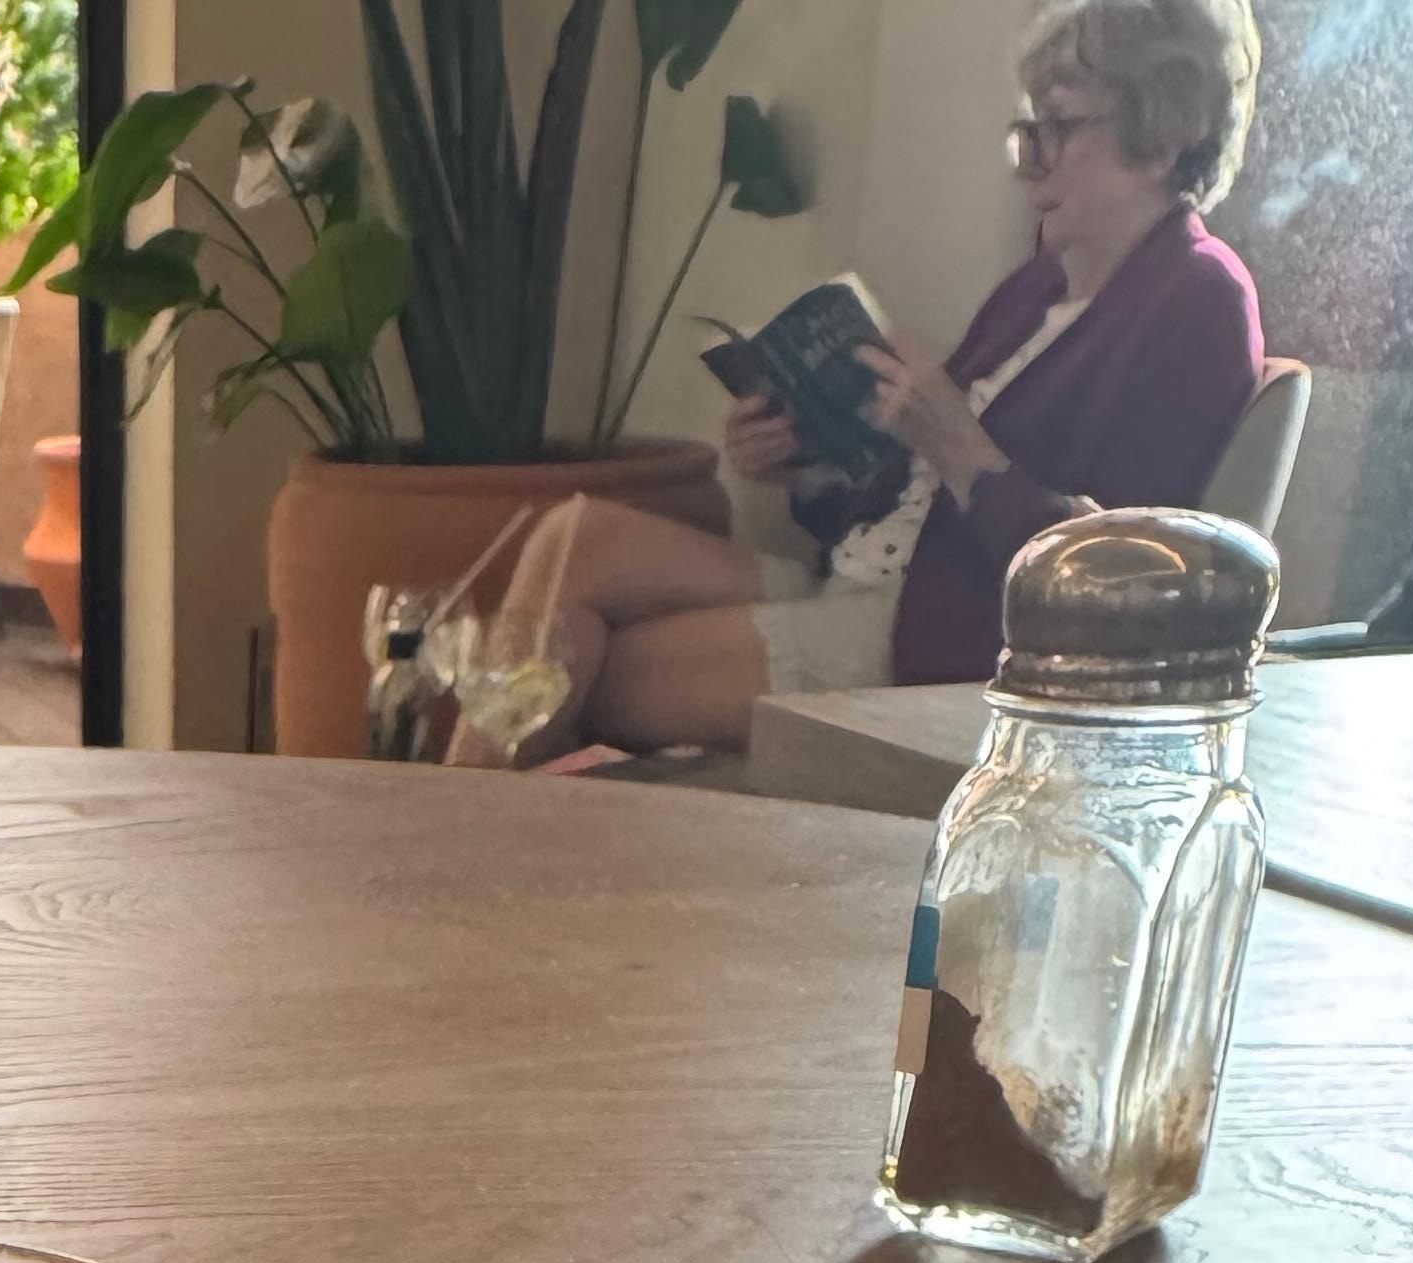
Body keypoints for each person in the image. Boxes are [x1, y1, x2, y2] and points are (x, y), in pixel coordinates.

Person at [444, 0, 1263, 769]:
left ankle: (435, 838)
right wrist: (806, 459)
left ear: (1163, 137)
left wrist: (956, 443)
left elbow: (1118, 585)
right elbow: (903, 501)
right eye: (1029, 132)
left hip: (946, 636)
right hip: (874, 578)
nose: (1030, 164)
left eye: (1060, 128)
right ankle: (449, 832)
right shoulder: (1037, 289)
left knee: (572, 668)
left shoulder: (1198, 302)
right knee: (572, 537)